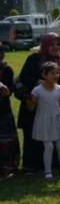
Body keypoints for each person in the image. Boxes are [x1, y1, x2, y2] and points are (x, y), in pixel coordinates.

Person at [16, 33, 60, 174]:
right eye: (52, 44)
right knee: (39, 136)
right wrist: (39, 82)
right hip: (40, 104)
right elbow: (23, 79)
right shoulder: (34, 59)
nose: (55, 47)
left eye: (58, 44)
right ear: (44, 45)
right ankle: (35, 166)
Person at [0, 48, 18, 177]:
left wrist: (5, 89)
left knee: (6, 140)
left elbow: (10, 91)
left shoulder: (7, 70)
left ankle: (8, 167)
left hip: (3, 111)